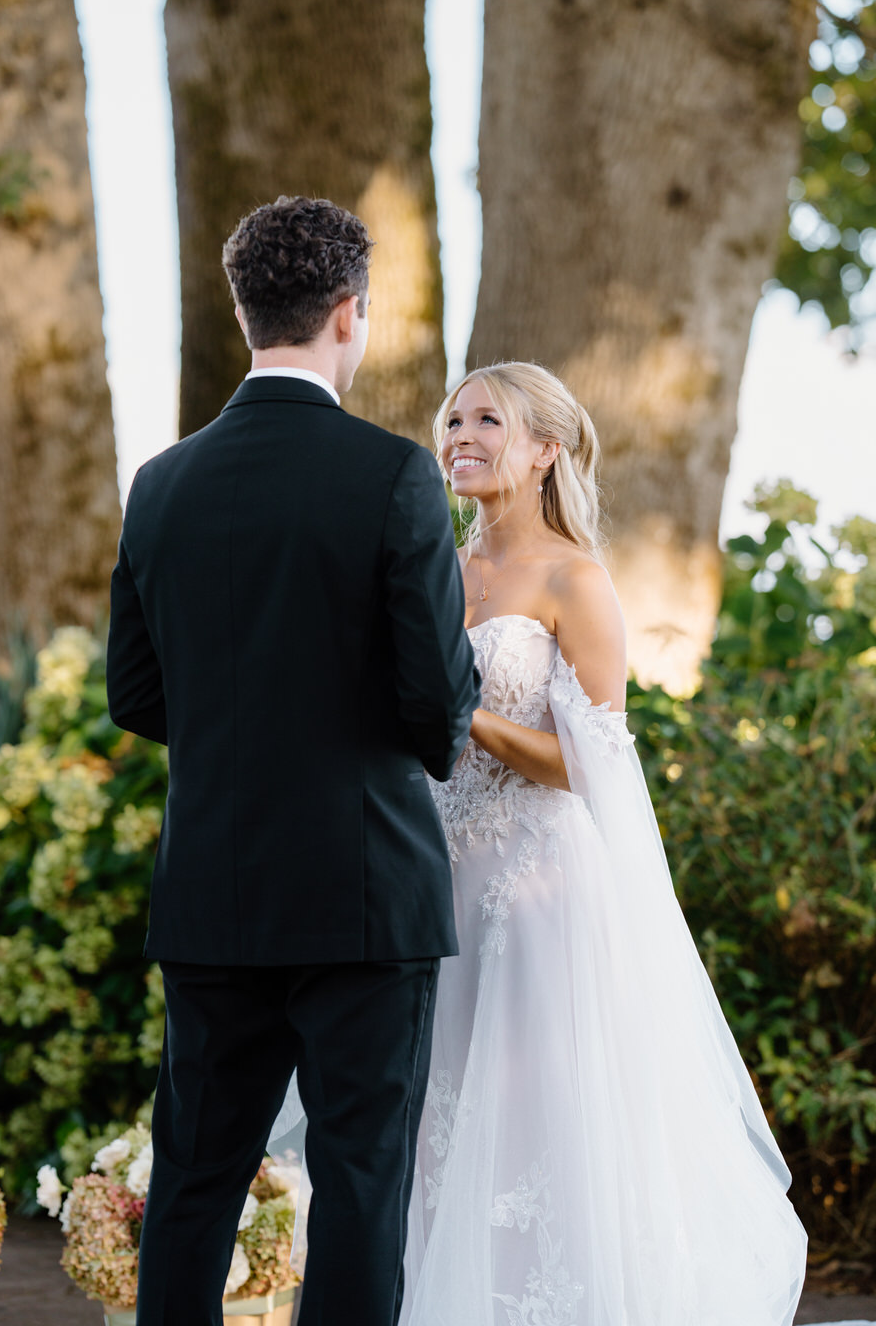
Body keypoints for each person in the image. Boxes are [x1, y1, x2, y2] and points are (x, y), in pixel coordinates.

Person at [106, 195, 481, 1326]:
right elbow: (434, 699)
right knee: (364, 1183)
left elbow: (135, 695)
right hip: (365, 893)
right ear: (349, 315)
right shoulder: (393, 476)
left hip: (214, 889)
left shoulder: (160, 484)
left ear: (240, 311)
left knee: (195, 1181)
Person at [400, 361, 808, 1326]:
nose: (458, 434)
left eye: (486, 419)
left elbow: (592, 764)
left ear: (544, 449)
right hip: (435, 886)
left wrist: (467, 717)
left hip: (536, 897)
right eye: (452, 419)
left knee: (542, 1129)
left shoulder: (575, 579)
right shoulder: (433, 572)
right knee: (442, 1128)